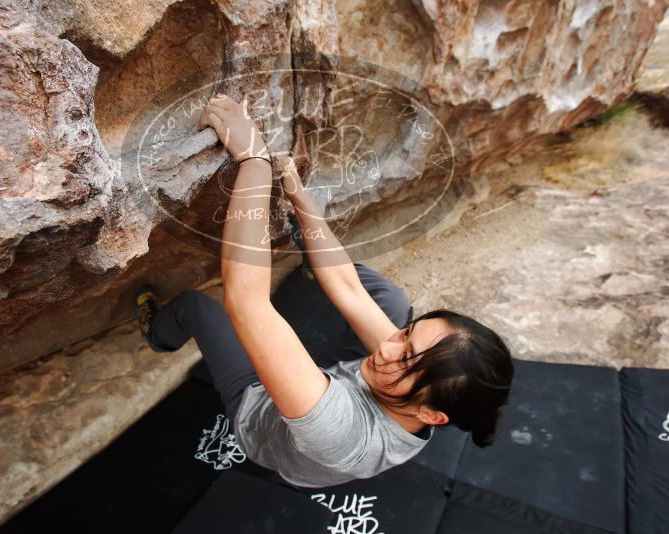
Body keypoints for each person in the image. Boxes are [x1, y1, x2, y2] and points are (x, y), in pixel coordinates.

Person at [133, 93, 514, 488]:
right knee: (390, 301)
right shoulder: (410, 386)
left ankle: (159, 334)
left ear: (433, 415)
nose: (386, 348)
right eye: (406, 335)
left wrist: (254, 162)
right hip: (340, 383)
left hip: (261, 412)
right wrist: (298, 196)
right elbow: (348, 287)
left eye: (406, 359)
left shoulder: (343, 434)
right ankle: (308, 253)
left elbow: (247, 301)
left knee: (197, 307)